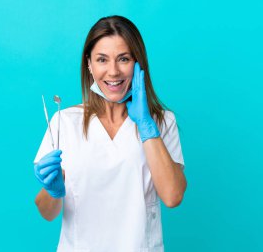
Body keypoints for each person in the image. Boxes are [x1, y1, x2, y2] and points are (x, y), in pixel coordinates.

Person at [33, 15, 187, 252]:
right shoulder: (65, 122)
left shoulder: (162, 122)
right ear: (89, 65)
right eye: (102, 60)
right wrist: (54, 190)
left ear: (138, 63)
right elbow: (47, 212)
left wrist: (146, 125)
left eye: (123, 59)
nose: (113, 72)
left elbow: (173, 196)